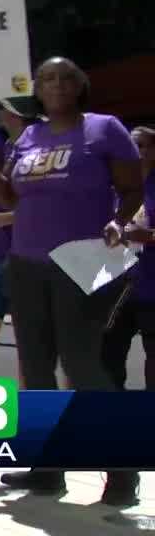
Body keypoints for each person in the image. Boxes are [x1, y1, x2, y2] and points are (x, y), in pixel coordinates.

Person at [0, 56, 142, 504]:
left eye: (66, 77)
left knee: (82, 363)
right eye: (47, 78)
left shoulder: (105, 129)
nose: (57, 84)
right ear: (38, 89)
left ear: (80, 84)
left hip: (82, 259)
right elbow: (7, 194)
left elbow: (131, 190)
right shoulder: (28, 136)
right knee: (36, 365)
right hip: (26, 261)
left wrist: (118, 222)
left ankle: (123, 470)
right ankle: (48, 469)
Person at [0, 99, 38, 367]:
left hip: (22, 256)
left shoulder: (37, 150)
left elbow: (38, 208)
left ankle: (29, 407)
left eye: (3, 107)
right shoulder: (9, 146)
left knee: (30, 343)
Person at [103, 126, 155, 390]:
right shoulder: (116, 187)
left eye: (144, 145)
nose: (138, 151)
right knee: (109, 354)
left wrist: (149, 235)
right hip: (118, 286)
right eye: (133, 145)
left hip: (151, 288)